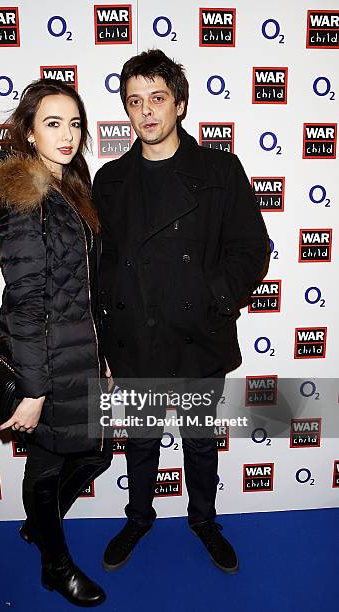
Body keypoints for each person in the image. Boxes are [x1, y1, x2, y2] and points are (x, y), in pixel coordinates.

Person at [93, 50, 269, 574]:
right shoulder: (110, 180)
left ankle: (204, 520)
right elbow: (101, 268)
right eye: (134, 102)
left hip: (196, 333)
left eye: (157, 98)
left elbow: (251, 248)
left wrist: (211, 296)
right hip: (135, 337)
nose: (146, 111)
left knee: (199, 440)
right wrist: (106, 341)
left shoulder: (220, 170)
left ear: (180, 103)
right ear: (127, 111)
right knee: (141, 440)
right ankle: (139, 517)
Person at [0, 79, 112, 607]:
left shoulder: (71, 189)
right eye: (52, 123)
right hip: (45, 363)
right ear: (29, 133)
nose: (67, 134)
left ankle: (40, 523)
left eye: (74, 123)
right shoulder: (25, 194)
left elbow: (81, 289)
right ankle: (55, 566)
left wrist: (100, 358)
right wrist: (33, 389)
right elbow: (28, 301)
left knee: (93, 455)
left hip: (78, 356)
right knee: (48, 464)